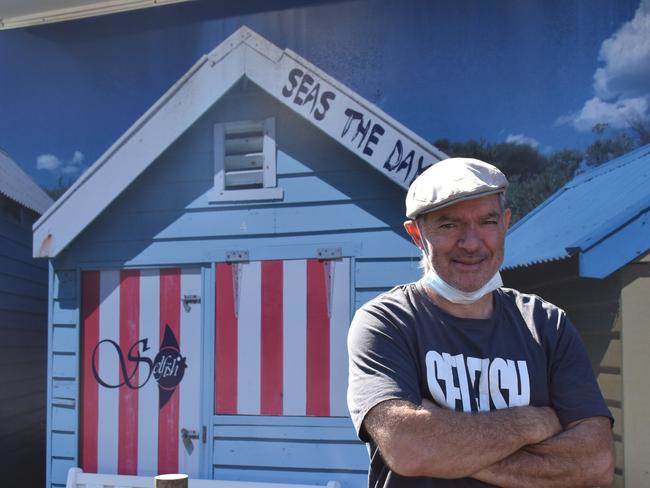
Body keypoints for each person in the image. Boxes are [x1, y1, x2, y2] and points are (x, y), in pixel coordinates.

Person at [347, 158, 614, 488]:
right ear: (417, 234)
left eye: (486, 222)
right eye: (448, 225)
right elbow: (408, 448)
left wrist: (442, 445)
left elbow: (595, 463)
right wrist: (530, 423)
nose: (471, 243)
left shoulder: (547, 325)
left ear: (505, 223)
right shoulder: (387, 322)